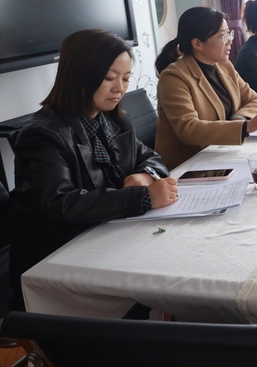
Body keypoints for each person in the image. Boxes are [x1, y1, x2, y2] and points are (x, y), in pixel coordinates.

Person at [9, 29, 178, 310]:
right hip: (62, 260)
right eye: (109, 78)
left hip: (110, 239)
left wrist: (145, 175)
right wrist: (143, 198)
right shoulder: (43, 135)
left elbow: (151, 157)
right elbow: (60, 204)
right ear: (79, 75)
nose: (119, 88)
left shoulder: (113, 120)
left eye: (125, 78)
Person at [155, 7, 257, 169]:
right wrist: (245, 127)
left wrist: (239, 119)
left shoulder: (224, 66)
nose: (230, 41)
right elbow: (188, 129)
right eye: (223, 36)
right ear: (197, 44)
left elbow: (255, 99)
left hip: (222, 154)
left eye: (229, 33)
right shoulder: (174, 77)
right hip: (188, 167)